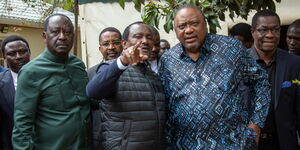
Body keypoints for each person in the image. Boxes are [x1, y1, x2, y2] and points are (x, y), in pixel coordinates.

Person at [159, 4, 271, 149]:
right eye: (182, 26)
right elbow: (164, 104)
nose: (188, 30)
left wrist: (255, 125)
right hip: (183, 145)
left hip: (232, 144)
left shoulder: (231, 48)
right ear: (175, 31)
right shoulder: (168, 60)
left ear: (205, 24)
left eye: (194, 23)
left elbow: (261, 82)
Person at [12, 14, 92, 150]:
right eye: (55, 32)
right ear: (44, 36)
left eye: (68, 32)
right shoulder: (31, 72)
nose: (62, 37)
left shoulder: (78, 65)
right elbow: (22, 125)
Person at [86, 21, 166, 150]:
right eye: (138, 36)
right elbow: (93, 92)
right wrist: (122, 61)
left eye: (149, 37)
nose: (145, 41)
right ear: (124, 43)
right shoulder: (112, 68)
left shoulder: (154, 76)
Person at [249, 10, 300, 150]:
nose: (270, 35)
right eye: (263, 30)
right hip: (249, 144)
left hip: (283, 144)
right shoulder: (237, 63)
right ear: (253, 32)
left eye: (275, 30)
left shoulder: (294, 64)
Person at [0, 35, 31, 150]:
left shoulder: (47, 78)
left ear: (29, 52)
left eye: (22, 51)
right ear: (4, 56)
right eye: (12, 53)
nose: (18, 57)